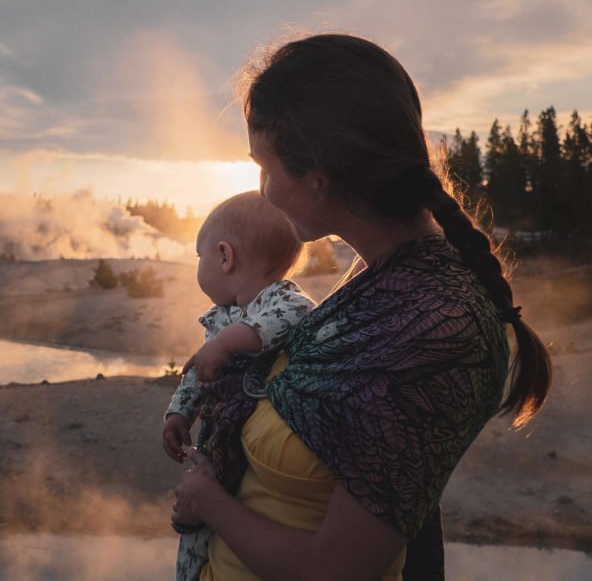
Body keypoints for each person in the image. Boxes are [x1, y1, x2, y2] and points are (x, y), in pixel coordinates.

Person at [171, 33, 552, 581]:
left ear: (319, 174)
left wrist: (210, 502)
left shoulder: (435, 328)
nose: (264, 191)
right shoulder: (383, 280)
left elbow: (337, 570)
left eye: (266, 167)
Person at [162, 191, 316, 581]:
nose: (198, 267)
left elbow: (293, 316)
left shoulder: (282, 298)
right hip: (220, 436)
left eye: (200, 257)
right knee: (194, 528)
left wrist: (227, 343)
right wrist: (180, 411)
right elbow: (199, 370)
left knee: (219, 510)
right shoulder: (221, 318)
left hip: (250, 443)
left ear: (224, 256)